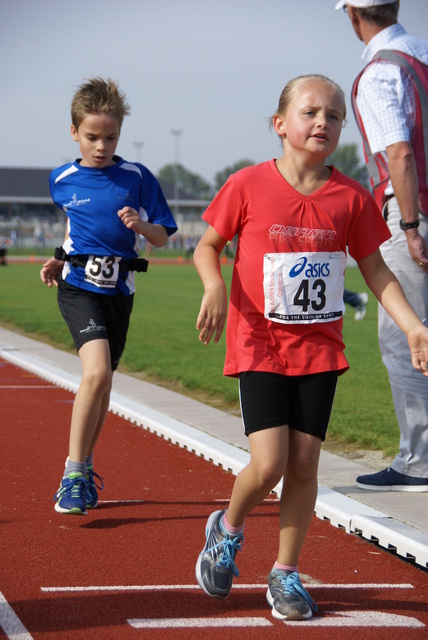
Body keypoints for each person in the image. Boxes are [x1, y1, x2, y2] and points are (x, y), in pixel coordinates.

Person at [193, 74, 428, 621]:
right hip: (260, 343)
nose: (322, 121)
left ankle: (285, 574)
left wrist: (414, 326)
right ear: (280, 125)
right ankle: (226, 530)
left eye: (334, 115)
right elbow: (209, 245)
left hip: (319, 350)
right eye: (309, 112)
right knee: (269, 461)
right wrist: (213, 287)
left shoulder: (350, 197)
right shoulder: (247, 185)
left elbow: (374, 268)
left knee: (303, 465)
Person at [40, 77, 177, 515]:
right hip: (78, 287)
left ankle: (85, 467)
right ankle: (73, 474)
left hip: (120, 290)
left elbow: (163, 236)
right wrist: (61, 259)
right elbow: (73, 228)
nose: (101, 146)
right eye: (92, 137)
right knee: (95, 373)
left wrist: (141, 226)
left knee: (104, 385)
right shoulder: (61, 179)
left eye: (110, 137)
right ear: (74, 132)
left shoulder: (137, 178)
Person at [336, 0, 428, 491]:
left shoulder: (378, 72)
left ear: (353, 15)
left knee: (404, 336)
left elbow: (398, 151)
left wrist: (410, 225)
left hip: (414, 209)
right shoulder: (423, 53)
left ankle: (418, 463)